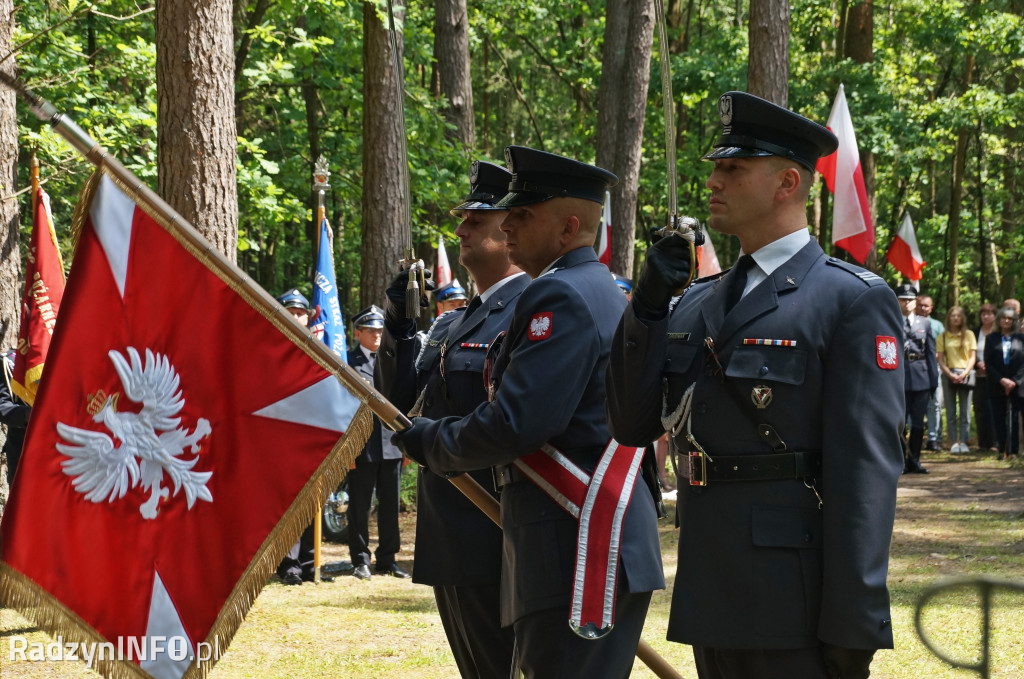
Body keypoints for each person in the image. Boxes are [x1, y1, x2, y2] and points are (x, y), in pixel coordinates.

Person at [606, 91, 904, 679]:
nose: (714, 181)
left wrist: (855, 621)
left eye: (732, 168)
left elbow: (865, 475)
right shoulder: (695, 300)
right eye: (716, 168)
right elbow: (633, 422)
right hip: (710, 585)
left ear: (787, 182)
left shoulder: (850, 300)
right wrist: (644, 309)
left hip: (795, 595)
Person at [394, 146, 664, 678]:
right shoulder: (595, 289)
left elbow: (516, 423)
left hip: (575, 544)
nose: (508, 223)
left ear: (567, 228)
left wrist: (429, 443)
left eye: (522, 214)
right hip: (583, 538)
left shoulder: (559, 296)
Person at [377, 159, 525, 678]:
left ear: (512, 231)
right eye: (462, 219)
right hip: (449, 528)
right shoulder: (451, 321)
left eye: (475, 221)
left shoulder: (532, 308)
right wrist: (398, 325)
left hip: (498, 525)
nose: (460, 229)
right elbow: (398, 402)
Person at [273, 289, 334, 585]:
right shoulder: (270, 347)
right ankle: (289, 563)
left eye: (300, 313)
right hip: (282, 435)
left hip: (314, 433)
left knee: (313, 499)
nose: (296, 316)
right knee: (288, 502)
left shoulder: (319, 349)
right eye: (291, 311)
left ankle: (312, 561)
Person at [347, 304, 409, 580]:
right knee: (360, 505)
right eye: (371, 330)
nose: (377, 334)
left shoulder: (392, 358)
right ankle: (360, 559)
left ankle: (387, 558)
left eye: (380, 330)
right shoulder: (347, 362)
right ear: (357, 332)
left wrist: (407, 443)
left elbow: (404, 401)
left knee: (390, 505)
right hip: (362, 445)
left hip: (391, 442)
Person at [899, 284, 939, 473]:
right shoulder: (890, 320)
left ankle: (914, 459)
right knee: (899, 422)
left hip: (921, 376)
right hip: (898, 378)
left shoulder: (925, 323)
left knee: (917, 422)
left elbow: (931, 353)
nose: (907, 303)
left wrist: (934, 380)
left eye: (910, 300)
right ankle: (899, 461)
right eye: (903, 299)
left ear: (916, 302)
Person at [982, 306, 1024, 459]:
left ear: (1014, 321)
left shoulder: (1021, 338)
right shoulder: (991, 338)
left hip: (1017, 385)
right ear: (999, 320)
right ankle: (1002, 449)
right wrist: (1001, 380)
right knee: (999, 418)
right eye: (1003, 318)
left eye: (1010, 319)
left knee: (1014, 418)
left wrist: (1013, 381)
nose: (1006, 321)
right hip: (996, 384)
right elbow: (988, 362)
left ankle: (1013, 451)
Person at [937, 306, 977, 453]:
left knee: (965, 411)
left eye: (958, 316)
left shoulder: (969, 334)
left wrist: (964, 373)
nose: (955, 318)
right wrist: (950, 374)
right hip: (949, 374)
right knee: (950, 410)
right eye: (952, 316)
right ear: (948, 318)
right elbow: (940, 359)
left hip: (965, 374)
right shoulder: (943, 336)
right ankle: (954, 442)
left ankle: (964, 441)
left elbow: (973, 357)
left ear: (962, 318)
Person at [917, 294, 945, 450]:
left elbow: (943, 347)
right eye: (920, 305)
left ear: (931, 308)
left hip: (934, 368)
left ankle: (933, 438)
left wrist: (934, 354)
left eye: (926, 306)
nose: (923, 308)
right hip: (915, 368)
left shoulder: (937, 325)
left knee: (934, 404)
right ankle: (916, 436)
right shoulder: (909, 322)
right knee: (914, 403)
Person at [1, 349, 31, 490]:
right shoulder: (9, 362)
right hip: (22, 451)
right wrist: (28, 415)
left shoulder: (64, 361)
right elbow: (3, 407)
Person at [974, 303, 999, 452]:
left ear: (995, 316)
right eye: (983, 313)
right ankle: (982, 443)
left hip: (994, 377)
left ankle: (995, 442)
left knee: (993, 409)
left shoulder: (999, 333)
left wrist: (989, 366)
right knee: (980, 409)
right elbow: (969, 352)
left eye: (989, 313)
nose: (986, 316)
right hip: (978, 376)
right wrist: (978, 364)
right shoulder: (975, 332)